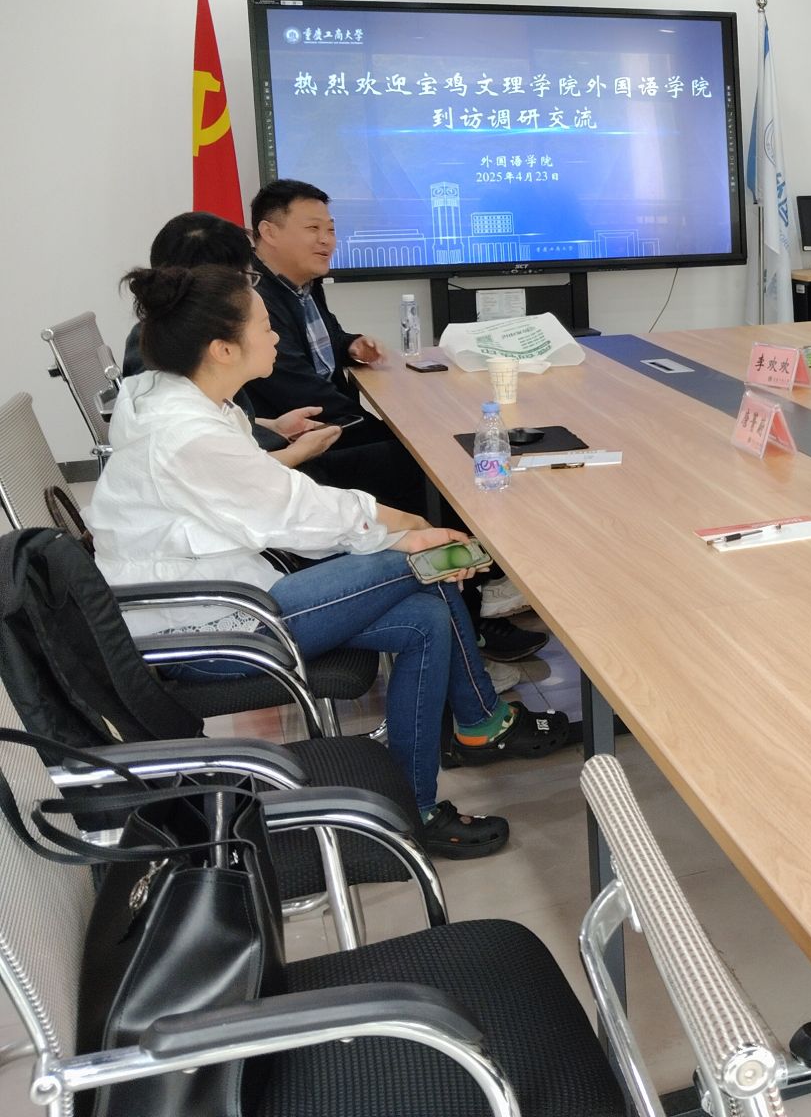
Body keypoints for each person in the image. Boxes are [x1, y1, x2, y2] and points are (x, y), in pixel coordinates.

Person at [86, 263, 577, 857]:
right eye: (264, 326)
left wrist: (400, 533)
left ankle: (415, 807)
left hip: (228, 595)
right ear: (222, 349)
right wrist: (407, 532)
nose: (275, 335)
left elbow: (274, 503)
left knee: (426, 615)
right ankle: (476, 724)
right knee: (419, 562)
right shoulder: (188, 434)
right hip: (212, 631)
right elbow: (297, 512)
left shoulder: (172, 397)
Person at [245, 179, 545, 664]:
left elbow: (324, 339)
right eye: (313, 229)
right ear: (269, 232)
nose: (327, 240)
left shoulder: (300, 285)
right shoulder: (255, 298)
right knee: (429, 461)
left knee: (433, 447)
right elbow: (293, 387)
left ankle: (479, 588)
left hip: (328, 427)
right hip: (304, 446)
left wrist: (351, 344)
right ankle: (473, 611)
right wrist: (389, 410)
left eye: (331, 229)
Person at [119, 211, 338, 468]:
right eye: (247, 276)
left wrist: (272, 426)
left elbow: (217, 417)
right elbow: (218, 466)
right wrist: (300, 451)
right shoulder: (167, 350)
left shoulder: (186, 331)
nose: (251, 287)